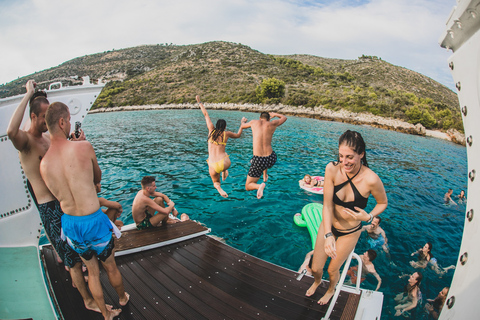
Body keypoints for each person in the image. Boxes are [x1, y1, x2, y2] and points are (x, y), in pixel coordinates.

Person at [6, 81, 103, 313]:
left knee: (77, 254)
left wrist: (77, 144)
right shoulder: (27, 142)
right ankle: (87, 301)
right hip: (49, 208)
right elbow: (10, 132)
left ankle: (80, 281)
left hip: (65, 205)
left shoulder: (48, 140)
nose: (47, 120)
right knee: (71, 260)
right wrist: (28, 93)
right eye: (43, 116)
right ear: (33, 116)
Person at [40, 102, 128, 320]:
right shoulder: (83, 147)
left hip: (70, 224)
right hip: (94, 222)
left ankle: (106, 315)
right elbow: (97, 179)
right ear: (62, 122)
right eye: (68, 120)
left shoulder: (44, 164)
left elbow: (60, 192)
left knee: (93, 272)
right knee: (110, 267)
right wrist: (82, 144)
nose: (70, 123)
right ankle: (123, 298)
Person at [306, 130, 388, 305]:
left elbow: (383, 202)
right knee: (315, 268)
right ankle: (317, 281)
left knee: (332, 269)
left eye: (349, 157)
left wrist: (369, 216)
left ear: (361, 154)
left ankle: (330, 289)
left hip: (350, 232)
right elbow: (327, 204)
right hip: (328, 225)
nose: (344, 162)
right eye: (341, 156)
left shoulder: (371, 179)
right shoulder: (332, 169)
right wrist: (328, 234)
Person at [196, 95, 247, 198]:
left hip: (212, 166)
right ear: (225, 127)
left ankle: (219, 188)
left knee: (216, 182)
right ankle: (224, 171)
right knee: (225, 154)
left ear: (216, 125)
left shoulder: (211, 130)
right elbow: (238, 135)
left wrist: (199, 102)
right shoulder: (226, 134)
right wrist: (242, 124)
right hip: (224, 163)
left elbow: (206, 114)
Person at [241, 111, 287, 199]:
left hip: (258, 160)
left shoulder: (254, 122)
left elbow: (242, 126)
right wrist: (275, 114)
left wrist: (243, 121)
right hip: (271, 158)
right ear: (269, 118)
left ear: (260, 118)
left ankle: (259, 186)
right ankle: (265, 175)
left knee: (248, 186)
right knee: (264, 160)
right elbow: (284, 118)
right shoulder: (272, 123)